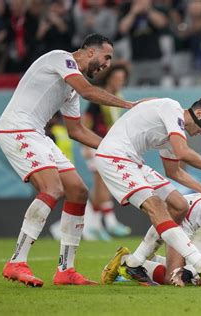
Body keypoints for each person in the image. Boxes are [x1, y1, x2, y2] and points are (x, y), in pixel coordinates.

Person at [0, 33, 141, 287]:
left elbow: (77, 131)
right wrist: (128, 104)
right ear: (89, 52)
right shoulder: (61, 59)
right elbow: (87, 91)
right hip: (16, 129)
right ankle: (16, 262)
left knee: (78, 190)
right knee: (53, 188)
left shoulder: (72, 88)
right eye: (106, 57)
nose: (107, 64)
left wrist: (115, 149)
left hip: (37, 133)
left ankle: (66, 269)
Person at [97, 97, 201, 285]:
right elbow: (183, 152)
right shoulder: (172, 108)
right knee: (157, 206)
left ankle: (134, 263)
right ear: (199, 113)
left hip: (134, 161)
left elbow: (174, 172)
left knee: (179, 205)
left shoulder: (172, 133)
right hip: (115, 157)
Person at [81, 63, 132, 240]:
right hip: (95, 144)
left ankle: (95, 225)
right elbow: (86, 120)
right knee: (102, 181)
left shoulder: (118, 97)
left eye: (122, 79)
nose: (119, 82)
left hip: (109, 145)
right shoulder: (100, 96)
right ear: (109, 78)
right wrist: (86, 145)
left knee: (100, 185)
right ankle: (110, 221)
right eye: (117, 78)